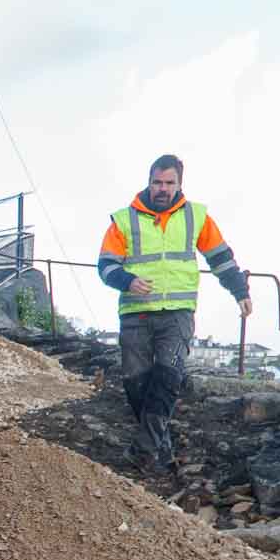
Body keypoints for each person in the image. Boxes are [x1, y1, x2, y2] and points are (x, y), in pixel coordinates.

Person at [97, 154, 251, 470]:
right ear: (148, 181)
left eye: (169, 183)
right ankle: (161, 449)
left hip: (178, 314)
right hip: (135, 314)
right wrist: (127, 281)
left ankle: (142, 452)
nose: (162, 189)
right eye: (157, 182)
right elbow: (106, 266)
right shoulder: (123, 220)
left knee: (168, 376)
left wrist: (240, 291)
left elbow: (221, 258)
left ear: (180, 184)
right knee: (135, 383)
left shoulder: (196, 217)